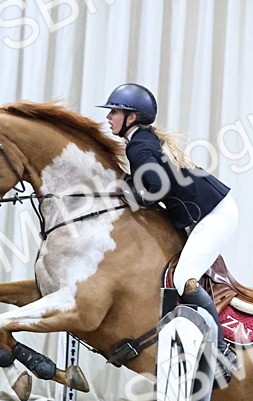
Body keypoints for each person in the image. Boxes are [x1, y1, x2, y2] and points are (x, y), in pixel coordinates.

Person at [98, 83, 239, 372]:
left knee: (184, 277)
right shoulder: (140, 141)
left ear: (132, 118)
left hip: (215, 214)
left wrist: (128, 195)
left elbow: (155, 188)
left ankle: (222, 348)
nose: (109, 117)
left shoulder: (139, 145)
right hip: (209, 209)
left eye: (115, 111)